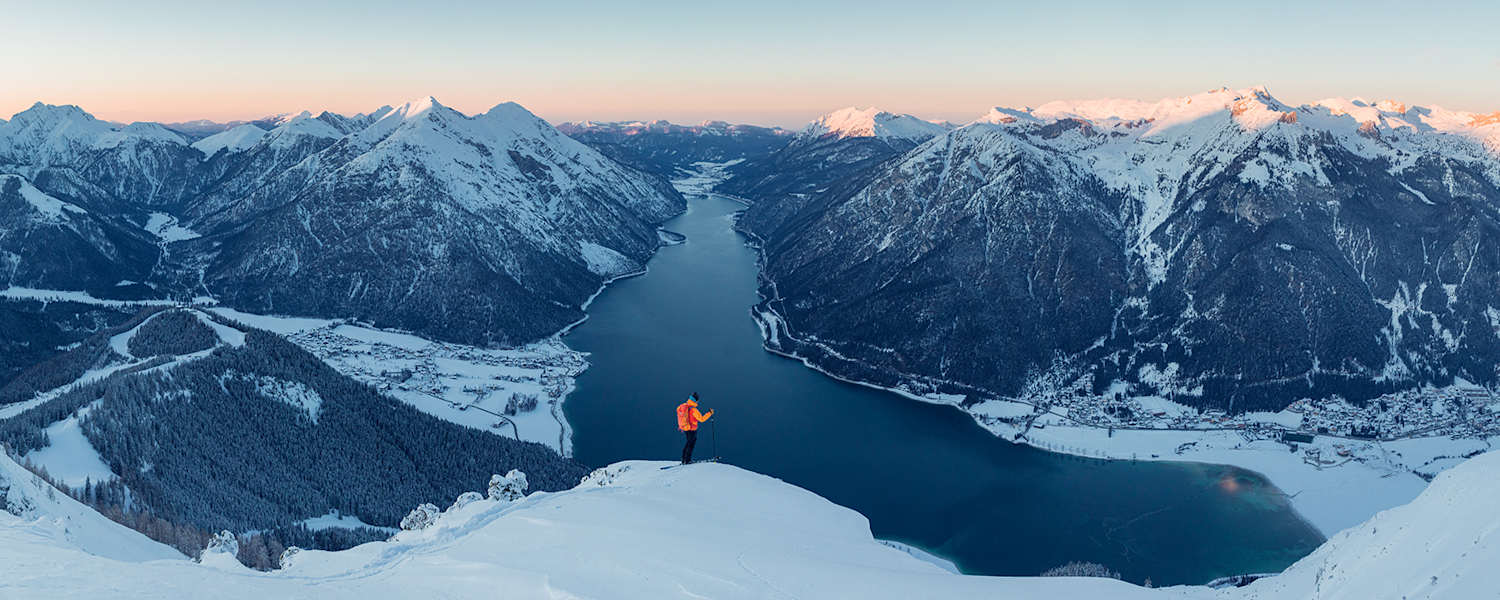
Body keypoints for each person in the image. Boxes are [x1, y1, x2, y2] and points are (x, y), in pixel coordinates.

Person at [676, 393, 714, 464]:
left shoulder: (685, 406)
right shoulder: (693, 410)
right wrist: (709, 413)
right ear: (695, 401)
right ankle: (687, 460)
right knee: (691, 444)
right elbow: (702, 419)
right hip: (692, 430)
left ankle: (684, 459)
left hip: (686, 428)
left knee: (688, 443)